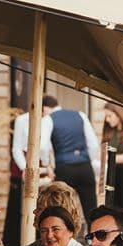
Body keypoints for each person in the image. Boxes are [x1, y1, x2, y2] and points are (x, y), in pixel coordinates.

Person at [5, 97, 55, 246]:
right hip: (23, 163)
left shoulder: (48, 121)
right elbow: (16, 148)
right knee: (18, 205)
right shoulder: (22, 120)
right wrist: (24, 168)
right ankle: (15, 245)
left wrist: (49, 166)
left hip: (41, 165)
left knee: (41, 204)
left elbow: (47, 147)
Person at [48, 97, 105, 232]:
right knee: (91, 209)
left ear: (45, 108)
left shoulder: (48, 119)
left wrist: (48, 165)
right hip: (84, 167)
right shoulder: (80, 115)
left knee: (62, 209)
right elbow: (93, 144)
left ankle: (65, 241)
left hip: (64, 168)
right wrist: (87, 161)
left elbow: (44, 147)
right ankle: (94, 241)